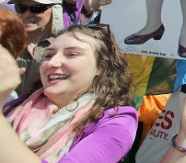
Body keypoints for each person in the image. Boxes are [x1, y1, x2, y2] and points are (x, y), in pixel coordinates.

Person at [0, 25, 137, 161]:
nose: (52, 63)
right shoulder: (18, 105)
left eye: (72, 54)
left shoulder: (118, 120)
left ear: (101, 67)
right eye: (48, 56)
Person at [9, 0, 64, 97]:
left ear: (55, 11)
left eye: (37, 8)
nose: (27, 14)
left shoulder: (64, 47)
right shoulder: (7, 42)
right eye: (21, 8)